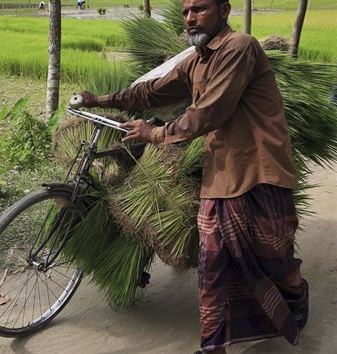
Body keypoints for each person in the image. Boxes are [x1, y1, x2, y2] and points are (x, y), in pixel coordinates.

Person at [77, 0, 308, 353]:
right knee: (212, 261)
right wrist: (101, 100)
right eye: (186, 11)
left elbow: (210, 111)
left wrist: (155, 134)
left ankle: (294, 293)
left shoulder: (240, 47)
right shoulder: (196, 60)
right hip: (222, 173)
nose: (189, 18)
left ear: (224, 10)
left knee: (274, 253)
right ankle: (213, 345)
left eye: (198, 8)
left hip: (261, 169)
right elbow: (151, 91)